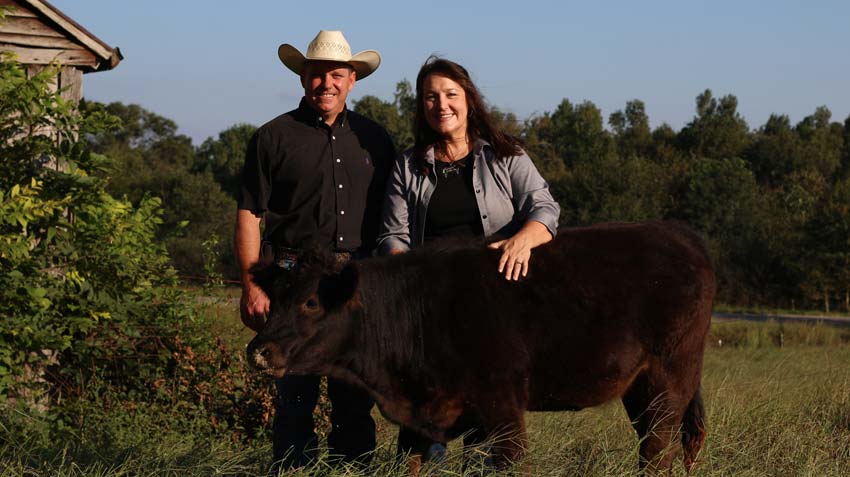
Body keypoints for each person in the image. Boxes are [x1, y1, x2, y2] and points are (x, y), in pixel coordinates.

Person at [377, 56, 560, 463]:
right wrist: (406, 270)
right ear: (421, 106)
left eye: (450, 94)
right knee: (425, 419)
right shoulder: (407, 166)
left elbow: (545, 209)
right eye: (430, 97)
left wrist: (523, 241)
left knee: (486, 413)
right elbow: (393, 234)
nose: (441, 104)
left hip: (495, 309)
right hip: (431, 310)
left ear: (468, 100)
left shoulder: (504, 153)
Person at [235, 30, 395, 470]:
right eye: (317, 74)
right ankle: (292, 471)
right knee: (294, 400)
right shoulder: (273, 137)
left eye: (336, 74)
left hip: (353, 288)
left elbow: (391, 217)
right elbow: (250, 214)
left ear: (352, 80)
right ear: (303, 78)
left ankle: (352, 471)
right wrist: (251, 284)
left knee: (355, 401)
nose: (327, 83)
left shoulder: (375, 140)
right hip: (290, 286)